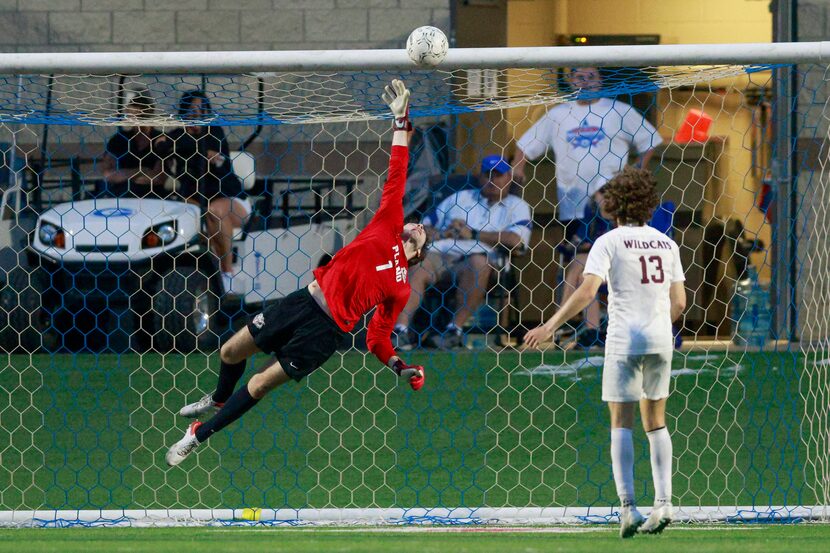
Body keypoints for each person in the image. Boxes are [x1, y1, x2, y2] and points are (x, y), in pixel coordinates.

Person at [166, 80, 428, 467]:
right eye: (418, 224)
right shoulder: (387, 224)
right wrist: (401, 120)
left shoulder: (401, 288)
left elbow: (376, 338)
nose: (419, 226)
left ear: (418, 254)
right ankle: (218, 397)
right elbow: (397, 173)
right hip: (303, 302)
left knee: (259, 384)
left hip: (325, 334)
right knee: (230, 350)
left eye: (424, 235)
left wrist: (400, 368)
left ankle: (197, 436)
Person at [524, 166, 686, 538]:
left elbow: (585, 290)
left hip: (624, 338)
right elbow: (679, 301)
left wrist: (550, 325)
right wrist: (659, 322)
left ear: (613, 204)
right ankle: (664, 503)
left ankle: (628, 509)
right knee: (656, 421)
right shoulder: (668, 244)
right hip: (660, 338)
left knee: (621, 422)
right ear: (648, 203)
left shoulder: (608, 242)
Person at [513, 67, 662, 344]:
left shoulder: (617, 110)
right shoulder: (558, 114)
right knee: (582, 264)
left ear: (601, 80)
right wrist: (517, 168)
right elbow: (526, 144)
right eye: (579, 76)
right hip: (574, 205)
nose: (586, 82)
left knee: (605, 264)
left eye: (591, 76)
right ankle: (588, 326)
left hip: (615, 208)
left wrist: (634, 175)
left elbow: (649, 140)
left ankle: (590, 326)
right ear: (570, 81)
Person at [394, 156, 532, 349]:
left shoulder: (517, 206)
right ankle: (400, 331)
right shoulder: (460, 198)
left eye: (498, 176)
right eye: (487, 175)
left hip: (482, 262)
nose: (492, 180)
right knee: (418, 263)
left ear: (509, 178)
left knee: (478, 262)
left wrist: (473, 234)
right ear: (480, 177)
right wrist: (445, 233)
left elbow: (516, 241)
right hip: (442, 255)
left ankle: (454, 330)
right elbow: (420, 229)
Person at [163, 90, 250, 294]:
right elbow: (162, 144)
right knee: (187, 214)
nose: (196, 116)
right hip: (194, 202)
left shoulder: (214, 133)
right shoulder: (178, 137)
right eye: (191, 111)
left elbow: (213, 156)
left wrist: (192, 148)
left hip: (230, 200)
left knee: (212, 211)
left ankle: (226, 273)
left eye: (201, 111)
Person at [100, 92, 167, 199]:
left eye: (141, 115)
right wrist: (141, 171)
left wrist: (123, 175)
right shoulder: (119, 139)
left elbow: (158, 178)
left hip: (152, 197)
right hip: (122, 196)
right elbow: (107, 175)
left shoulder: (160, 140)